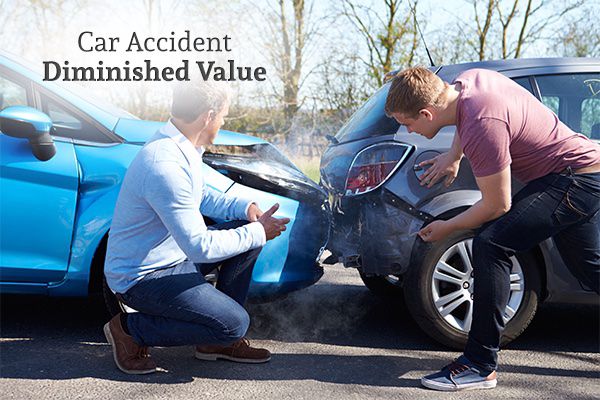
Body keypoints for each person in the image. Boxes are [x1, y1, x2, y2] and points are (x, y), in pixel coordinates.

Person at [384, 66, 600, 391]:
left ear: (427, 113)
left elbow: (497, 206)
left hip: (573, 180)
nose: (410, 130)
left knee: (491, 244)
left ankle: (479, 364)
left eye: (408, 123)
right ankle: (479, 362)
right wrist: (454, 156)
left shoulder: (483, 124)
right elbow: (464, 117)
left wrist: (448, 227)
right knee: (591, 270)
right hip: (582, 171)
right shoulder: (469, 82)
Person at [103, 80, 290, 374]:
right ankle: (130, 330)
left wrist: (246, 209)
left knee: (246, 227)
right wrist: (259, 232)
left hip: (172, 259)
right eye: (224, 115)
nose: (224, 121)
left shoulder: (182, 146)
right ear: (209, 115)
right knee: (235, 323)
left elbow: (198, 195)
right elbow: (199, 246)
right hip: (143, 278)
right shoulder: (163, 162)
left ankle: (215, 341)